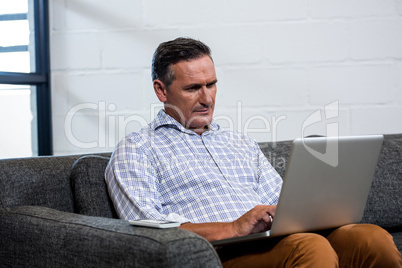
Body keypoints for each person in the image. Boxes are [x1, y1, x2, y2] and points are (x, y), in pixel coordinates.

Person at [105, 37, 402, 267]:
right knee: (310, 247)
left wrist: (309, 210)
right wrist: (234, 227)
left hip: (275, 241)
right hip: (220, 255)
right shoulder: (137, 148)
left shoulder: (240, 142)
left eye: (212, 84)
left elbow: (283, 204)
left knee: (371, 238)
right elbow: (147, 231)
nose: (207, 98)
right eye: (193, 87)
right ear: (161, 90)